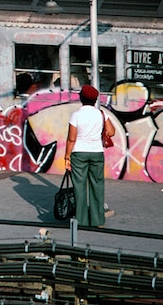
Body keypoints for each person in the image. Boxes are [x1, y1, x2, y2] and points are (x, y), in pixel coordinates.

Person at [63, 84, 115, 227]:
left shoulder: (76, 115)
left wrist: (67, 157)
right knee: (97, 185)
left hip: (79, 154)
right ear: (95, 99)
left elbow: (71, 138)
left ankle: (81, 221)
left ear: (81, 98)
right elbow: (111, 132)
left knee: (79, 187)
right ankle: (98, 220)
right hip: (97, 153)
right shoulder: (101, 114)